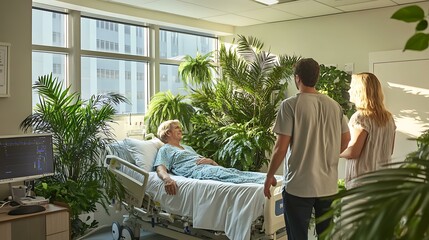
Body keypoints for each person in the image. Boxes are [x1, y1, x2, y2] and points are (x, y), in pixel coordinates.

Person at [263, 58, 351, 240]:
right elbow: (346, 139)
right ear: (316, 77)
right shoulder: (334, 106)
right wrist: (328, 156)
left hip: (298, 186)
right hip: (328, 185)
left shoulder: (290, 105)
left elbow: (281, 147)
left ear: (297, 78)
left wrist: (269, 176)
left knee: (297, 236)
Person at [153, 119, 267, 195]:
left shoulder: (187, 148)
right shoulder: (166, 149)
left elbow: (217, 166)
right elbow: (160, 167)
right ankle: (264, 183)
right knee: (230, 176)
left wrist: (212, 161)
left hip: (210, 168)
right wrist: (167, 180)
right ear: (168, 133)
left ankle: (268, 179)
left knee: (234, 172)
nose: (180, 129)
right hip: (199, 171)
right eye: (177, 127)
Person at [340, 72, 396, 189]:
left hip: (362, 183)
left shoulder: (361, 117)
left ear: (360, 91)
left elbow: (353, 152)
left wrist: (333, 153)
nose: (349, 91)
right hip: (383, 183)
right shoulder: (389, 118)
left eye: (351, 87)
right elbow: (389, 151)